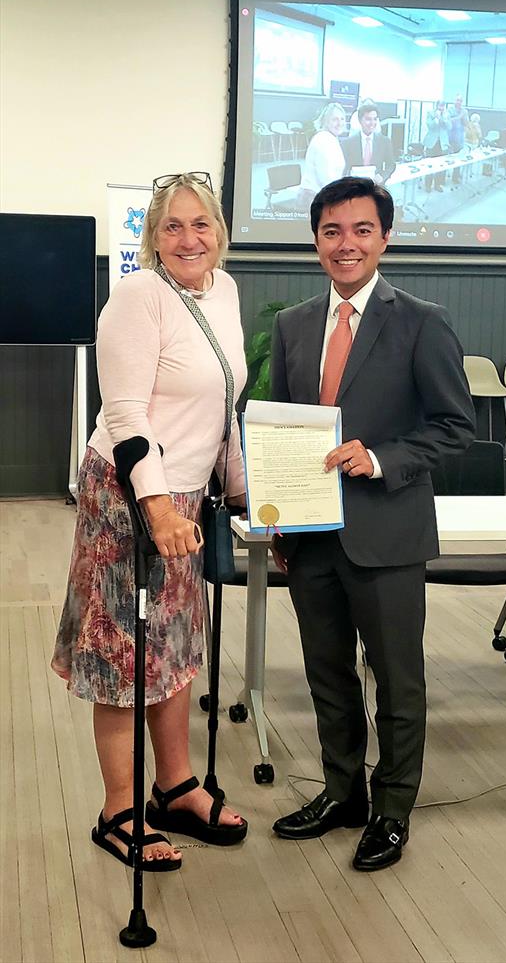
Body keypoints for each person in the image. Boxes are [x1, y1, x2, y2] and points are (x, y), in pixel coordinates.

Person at [269, 177, 475, 871]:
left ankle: (391, 808)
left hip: (387, 531)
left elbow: (454, 429)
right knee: (327, 673)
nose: (346, 243)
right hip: (308, 534)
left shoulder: (421, 319)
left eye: (361, 229)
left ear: (384, 237)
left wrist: (382, 457)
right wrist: (273, 517)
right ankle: (342, 791)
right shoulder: (293, 324)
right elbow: (280, 427)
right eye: (332, 231)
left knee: (396, 677)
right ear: (316, 242)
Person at [51, 172, 249, 871]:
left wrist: (242, 489)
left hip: (187, 498)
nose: (189, 238)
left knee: (174, 646)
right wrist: (159, 506)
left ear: (219, 231)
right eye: (173, 226)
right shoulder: (135, 299)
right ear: (153, 236)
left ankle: (175, 787)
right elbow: (127, 414)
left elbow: (223, 404)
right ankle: (118, 810)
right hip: (130, 496)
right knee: (124, 654)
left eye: (201, 224)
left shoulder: (224, 291)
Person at [298, 102, 347, 210]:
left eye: (342, 119)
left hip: (323, 196)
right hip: (315, 200)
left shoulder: (331, 138)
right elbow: (326, 178)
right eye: (335, 119)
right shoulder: (323, 140)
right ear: (325, 121)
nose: (340, 123)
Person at [340, 103, 396, 184]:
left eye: (375, 119)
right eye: (368, 119)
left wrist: (382, 176)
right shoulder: (348, 143)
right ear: (360, 120)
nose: (372, 123)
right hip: (354, 187)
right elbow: (344, 168)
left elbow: (391, 165)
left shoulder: (385, 141)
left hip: (376, 187)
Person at [422, 100, 451, 192]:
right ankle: (428, 185)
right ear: (436, 106)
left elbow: (449, 127)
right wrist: (436, 119)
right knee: (430, 164)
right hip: (432, 143)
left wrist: (442, 119)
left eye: (443, 106)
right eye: (440, 106)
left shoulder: (447, 114)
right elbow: (429, 126)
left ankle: (437, 184)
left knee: (440, 165)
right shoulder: (431, 113)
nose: (441, 108)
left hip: (442, 144)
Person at [446, 93, 468, 187]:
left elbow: (466, 124)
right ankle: (442, 179)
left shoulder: (464, 111)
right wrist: (459, 116)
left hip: (459, 137)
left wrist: (464, 117)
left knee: (459, 158)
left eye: (460, 100)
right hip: (450, 137)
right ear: (454, 101)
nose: (458, 102)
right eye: (457, 100)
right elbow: (448, 121)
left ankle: (455, 177)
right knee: (447, 158)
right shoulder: (449, 109)